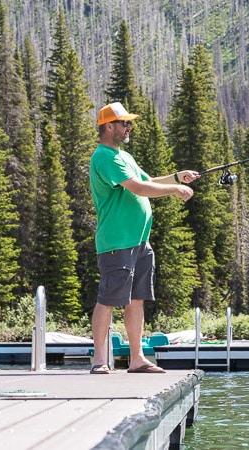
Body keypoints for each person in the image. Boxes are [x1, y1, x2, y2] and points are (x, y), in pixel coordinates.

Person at [88, 102, 199, 374]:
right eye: (124, 123)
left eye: (129, 123)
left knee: (137, 299)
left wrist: (176, 177)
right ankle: (99, 360)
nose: (129, 127)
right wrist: (174, 189)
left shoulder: (123, 156)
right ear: (109, 126)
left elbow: (147, 179)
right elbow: (138, 187)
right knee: (108, 299)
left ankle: (137, 358)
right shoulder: (104, 157)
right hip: (117, 241)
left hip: (140, 241)